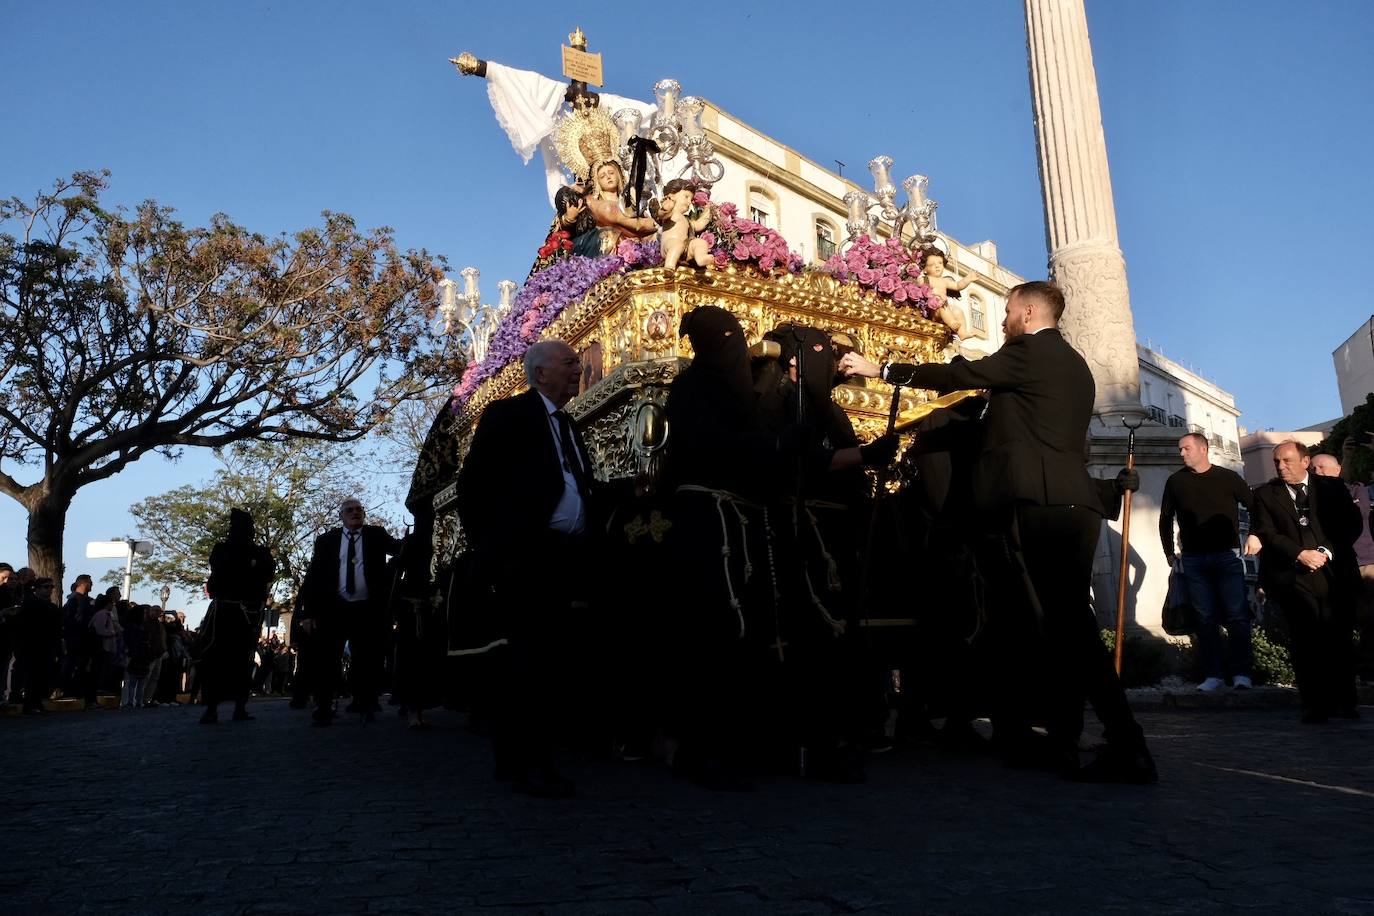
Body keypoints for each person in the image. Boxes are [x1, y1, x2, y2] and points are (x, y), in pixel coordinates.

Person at [840, 280, 1156, 784]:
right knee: (1061, 625)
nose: (1003, 320)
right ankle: (1067, 739)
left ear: (1029, 313)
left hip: (1040, 503)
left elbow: (960, 373)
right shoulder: (1071, 363)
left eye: (1007, 311)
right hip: (1068, 501)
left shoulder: (1030, 350)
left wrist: (881, 369)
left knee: (1068, 627)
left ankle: (1125, 742)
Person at [457, 338, 606, 798]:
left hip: (565, 557)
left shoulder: (568, 425)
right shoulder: (509, 415)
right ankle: (527, 763)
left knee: (550, 662)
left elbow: (580, 486)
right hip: (527, 557)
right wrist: (495, 551)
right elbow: (473, 486)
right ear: (540, 372)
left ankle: (525, 758)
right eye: (569, 363)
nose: (577, 370)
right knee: (528, 663)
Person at [1250, 440, 1362, 723]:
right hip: (1294, 576)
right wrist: (1300, 553)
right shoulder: (1266, 494)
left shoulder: (1332, 488)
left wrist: (1325, 552)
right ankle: (1314, 704)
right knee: (1305, 641)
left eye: (1287, 460)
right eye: (1277, 462)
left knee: (1339, 638)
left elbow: (1351, 525)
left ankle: (1346, 702)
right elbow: (1267, 531)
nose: (1281, 466)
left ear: (1305, 461)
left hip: (1333, 574)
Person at [1159, 432, 1257, 691]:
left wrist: (1256, 535)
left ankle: (1242, 674)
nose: (1182, 453)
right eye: (1180, 449)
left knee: (1237, 615)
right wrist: (1169, 551)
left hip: (1227, 555)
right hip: (1193, 558)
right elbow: (1165, 517)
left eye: (1186, 448)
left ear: (1203, 449)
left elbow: (1255, 506)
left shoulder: (1228, 477)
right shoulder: (1175, 481)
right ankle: (1213, 675)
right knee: (1204, 617)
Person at [298, 498, 400, 726]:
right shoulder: (327, 541)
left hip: (367, 609)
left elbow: (399, 549)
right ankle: (324, 706)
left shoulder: (376, 535)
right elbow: (314, 576)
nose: (355, 513)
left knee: (366, 659)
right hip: (335, 609)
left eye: (359, 510)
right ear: (341, 515)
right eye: (350, 510)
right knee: (328, 659)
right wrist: (307, 613)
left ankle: (366, 703)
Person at [201, 508, 275, 724]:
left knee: (243, 660)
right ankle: (212, 708)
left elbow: (267, 572)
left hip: (247, 615)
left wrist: (249, 568)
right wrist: (248, 567)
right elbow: (221, 572)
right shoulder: (222, 549)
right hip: (224, 612)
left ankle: (238, 707)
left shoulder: (259, 552)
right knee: (217, 659)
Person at [1319, 445, 1374, 682]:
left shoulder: (1355, 490)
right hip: (1331, 566)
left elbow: (1358, 516)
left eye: (1322, 467)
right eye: (1314, 468)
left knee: (1369, 618)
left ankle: (1368, 668)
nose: (1317, 471)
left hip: (1364, 561)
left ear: (1338, 470)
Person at [15, 577, 62, 715]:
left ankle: (38, 702)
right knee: (31, 676)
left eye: (51, 587)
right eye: (46, 587)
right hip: (31, 646)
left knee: (43, 676)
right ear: (37, 588)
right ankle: (30, 703)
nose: (49, 590)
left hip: (47, 646)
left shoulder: (52, 606)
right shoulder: (29, 604)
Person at [651, 179, 714, 270]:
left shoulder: (686, 219)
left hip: (685, 249)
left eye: (691, 199)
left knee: (700, 242)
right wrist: (667, 206)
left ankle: (701, 258)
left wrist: (708, 210)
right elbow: (661, 214)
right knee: (677, 244)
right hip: (669, 245)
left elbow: (699, 225)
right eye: (686, 197)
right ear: (671, 195)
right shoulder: (670, 213)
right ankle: (669, 267)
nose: (689, 202)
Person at [918, 249, 972, 337]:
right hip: (933, 310)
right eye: (932, 264)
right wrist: (932, 293)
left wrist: (968, 279)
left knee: (958, 311)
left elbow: (957, 286)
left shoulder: (944, 281)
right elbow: (918, 290)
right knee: (942, 307)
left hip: (945, 307)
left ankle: (962, 333)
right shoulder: (924, 280)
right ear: (924, 269)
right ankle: (952, 323)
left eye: (940, 263)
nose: (937, 266)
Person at [59, 574, 94, 698]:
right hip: (75, 637)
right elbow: (69, 617)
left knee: (81, 665)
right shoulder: (74, 599)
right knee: (71, 664)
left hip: (84, 638)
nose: (92, 584)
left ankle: (77, 690)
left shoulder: (87, 600)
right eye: (90, 582)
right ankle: (66, 690)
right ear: (83, 583)